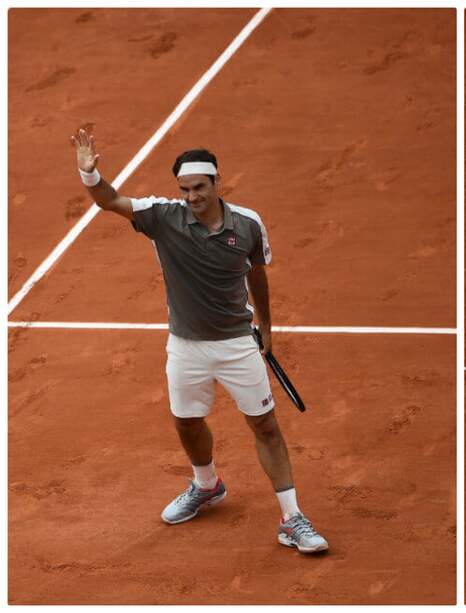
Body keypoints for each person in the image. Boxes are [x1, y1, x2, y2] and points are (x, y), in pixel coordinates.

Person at [70, 127, 328, 554]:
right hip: (186, 344)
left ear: (216, 182)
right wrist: (89, 175)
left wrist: (266, 325)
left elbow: (256, 273)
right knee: (186, 422)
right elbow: (109, 201)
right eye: (185, 189)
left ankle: (291, 517)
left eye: (199, 188)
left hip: (237, 343)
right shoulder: (162, 216)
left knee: (265, 426)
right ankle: (206, 485)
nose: (191, 196)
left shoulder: (248, 225)